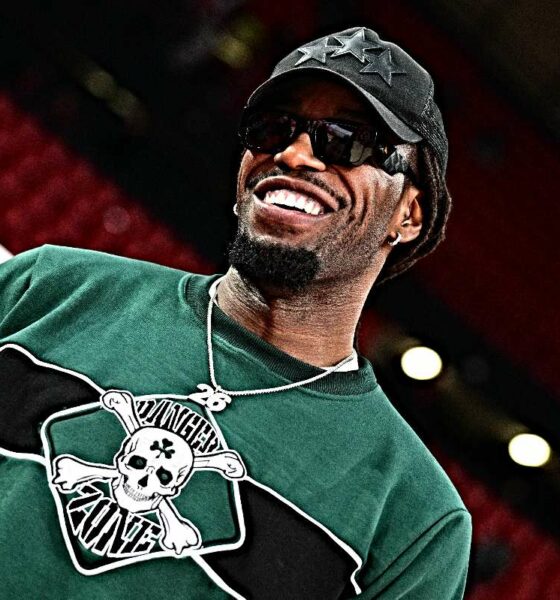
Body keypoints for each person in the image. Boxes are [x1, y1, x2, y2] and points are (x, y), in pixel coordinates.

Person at [0, 26, 470, 599]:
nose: (294, 155)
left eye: (346, 139)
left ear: (409, 214)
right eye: (273, 128)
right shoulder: (52, 286)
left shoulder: (417, 520)